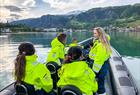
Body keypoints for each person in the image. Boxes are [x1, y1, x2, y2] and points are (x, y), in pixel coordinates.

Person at [89, 27, 112, 95]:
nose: (94, 35)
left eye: (95, 33)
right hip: (102, 66)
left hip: (100, 67)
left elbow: (99, 60)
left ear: (100, 34)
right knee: (100, 82)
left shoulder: (101, 45)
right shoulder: (99, 41)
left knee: (100, 83)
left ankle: (102, 93)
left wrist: (94, 72)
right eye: (93, 33)